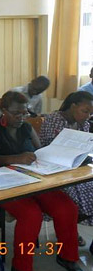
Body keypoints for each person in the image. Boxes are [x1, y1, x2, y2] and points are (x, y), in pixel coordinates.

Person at [0, 91, 84, 271]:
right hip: (5, 184)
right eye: (16, 113)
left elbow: (41, 152)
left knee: (67, 207)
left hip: (35, 180)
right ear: (3, 111)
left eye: (24, 113)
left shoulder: (26, 127)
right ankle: (21, 268)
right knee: (31, 215)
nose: (21, 118)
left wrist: (59, 159)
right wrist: (14, 159)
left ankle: (68, 256)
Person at [39, 91, 93, 254]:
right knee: (76, 192)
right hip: (53, 170)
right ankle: (70, 230)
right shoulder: (54, 119)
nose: (88, 116)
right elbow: (47, 148)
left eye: (91, 113)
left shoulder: (84, 123)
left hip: (76, 168)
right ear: (73, 106)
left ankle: (71, 229)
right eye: (85, 111)